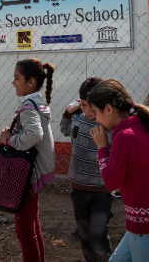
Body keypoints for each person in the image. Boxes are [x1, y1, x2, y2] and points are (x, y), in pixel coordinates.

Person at [88, 79, 149, 261]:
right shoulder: (145, 126)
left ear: (109, 109)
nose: (96, 119)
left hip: (147, 226)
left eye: (96, 113)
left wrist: (102, 149)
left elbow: (111, 182)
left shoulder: (124, 138)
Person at [0, 58, 56, 262]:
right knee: (33, 225)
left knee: (24, 232)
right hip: (36, 171)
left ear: (30, 82)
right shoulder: (37, 102)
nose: (13, 82)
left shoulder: (28, 106)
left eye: (17, 78)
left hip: (27, 175)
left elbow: (33, 135)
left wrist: (10, 140)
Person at [60, 76, 113, 262]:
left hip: (101, 190)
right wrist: (68, 112)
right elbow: (64, 128)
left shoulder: (108, 127)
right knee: (84, 236)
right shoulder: (78, 120)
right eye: (83, 105)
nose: (88, 110)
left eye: (92, 106)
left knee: (98, 234)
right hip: (78, 189)